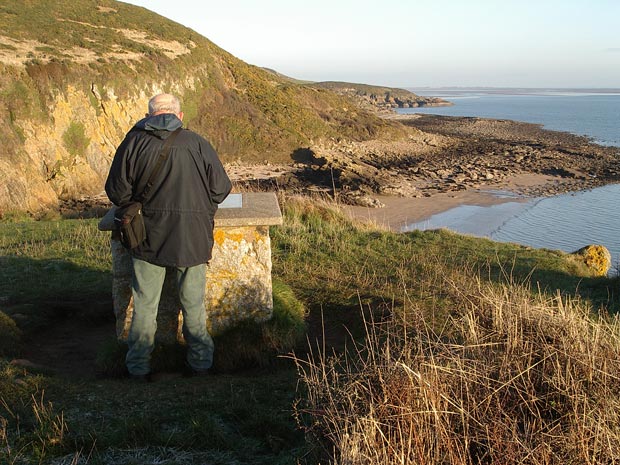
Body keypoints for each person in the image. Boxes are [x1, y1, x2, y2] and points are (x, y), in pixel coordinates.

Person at [105, 93, 232, 381]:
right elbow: (221, 189)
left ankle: (138, 368)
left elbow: (117, 193)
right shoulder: (197, 143)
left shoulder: (133, 142)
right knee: (193, 305)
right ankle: (201, 365)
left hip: (148, 237)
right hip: (193, 237)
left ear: (149, 115)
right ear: (180, 115)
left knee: (145, 306)